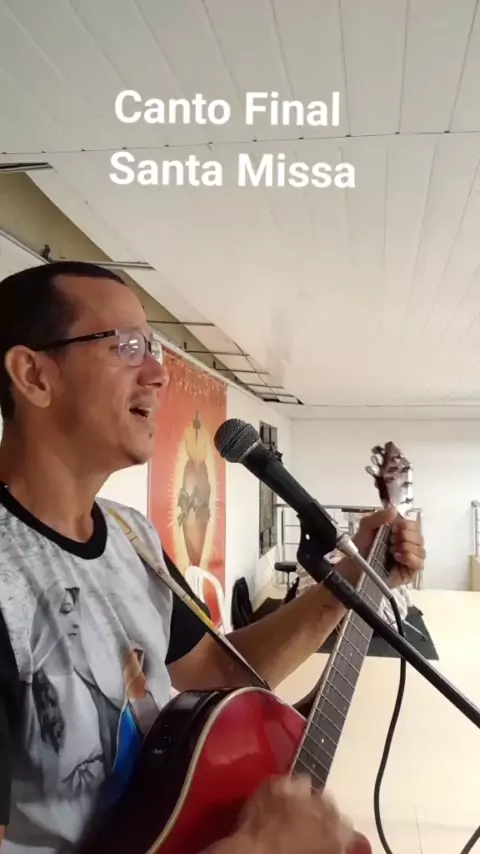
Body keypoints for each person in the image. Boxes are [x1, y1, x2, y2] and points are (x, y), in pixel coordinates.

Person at [0, 261, 425, 853]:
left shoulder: (131, 535)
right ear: (33, 376)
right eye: (126, 346)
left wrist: (353, 580)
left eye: (154, 349)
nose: (158, 374)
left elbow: (214, 672)